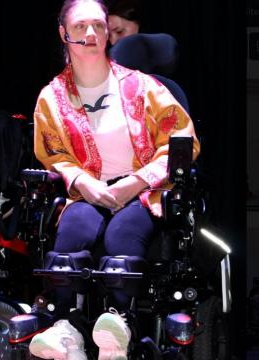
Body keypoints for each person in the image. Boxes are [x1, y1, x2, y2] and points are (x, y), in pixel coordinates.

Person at [29, 0, 199, 359]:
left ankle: (119, 326)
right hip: (87, 191)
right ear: (64, 34)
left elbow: (182, 142)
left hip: (142, 191)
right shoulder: (51, 98)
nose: (90, 34)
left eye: (98, 26)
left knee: (122, 234)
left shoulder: (144, 87)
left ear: (108, 33)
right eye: (80, 27)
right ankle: (67, 328)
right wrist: (80, 181)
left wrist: (136, 182)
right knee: (72, 228)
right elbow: (54, 153)